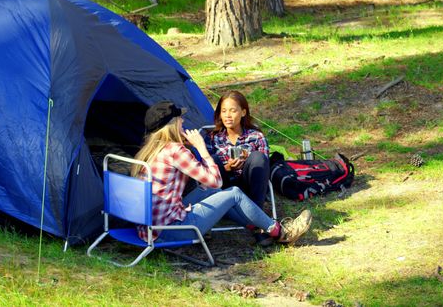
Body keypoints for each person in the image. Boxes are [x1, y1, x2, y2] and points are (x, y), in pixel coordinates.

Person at [131, 101, 312, 246]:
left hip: (148, 229)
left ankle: (257, 225)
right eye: (180, 119)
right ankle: (281, 233)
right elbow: (216, 181)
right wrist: (202, 149)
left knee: (209, 192)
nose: (183, 122)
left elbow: (208, 187)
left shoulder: (149, 150)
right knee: (233, 193)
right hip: (169, 233)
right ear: (171, 125)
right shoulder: (175, 151)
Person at [206, 91, 270, 210]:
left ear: (243, 112)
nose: (228, 115)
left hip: (249, 184)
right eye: (224, 111)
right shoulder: (213, 138)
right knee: (213, 159)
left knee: (258, 157)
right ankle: (222, 207)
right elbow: (207, 170)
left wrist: (248, 161)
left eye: (233, 111)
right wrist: (228, 168)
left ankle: (256, 211)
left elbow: (265, 167)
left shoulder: (256, 136)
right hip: (225, 185)